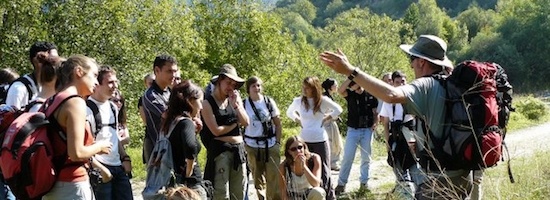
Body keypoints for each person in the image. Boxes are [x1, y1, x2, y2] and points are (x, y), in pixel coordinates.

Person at [320, 35, 472, 199]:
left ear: (422, 62)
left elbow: (391, 95)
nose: (412, 65)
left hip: (439, 180)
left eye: (412, 59)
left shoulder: (425, 85)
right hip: (463, 175)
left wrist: (351, 71)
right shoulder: (452, 82)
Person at [42, 55, 112, 200]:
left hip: (52, 184)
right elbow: (76, 153)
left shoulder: (52, 100)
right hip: (72, 185)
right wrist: (100, 146)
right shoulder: (75, 102)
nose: (96, 82)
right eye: (94, 75)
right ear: (78, 72)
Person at [286, 76, 343, 200]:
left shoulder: (322, 100)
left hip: (320, 140)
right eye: (304, 87)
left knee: (324, 171)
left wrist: (327, 118)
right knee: (306, 169)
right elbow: (289, 112)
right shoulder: (299, 101)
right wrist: (298, 119)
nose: (305, 90)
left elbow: (338, 109)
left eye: (308, 87)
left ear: (314, 88)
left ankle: (328, 197)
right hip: (304, 141)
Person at [200, 64, 249, 200]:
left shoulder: (234, 99)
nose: (231, 87)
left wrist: (237, 107)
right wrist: (235, 122)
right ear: (220, 80)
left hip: (239, 152)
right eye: (228, 83)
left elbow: (246, 122)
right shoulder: (207, 103)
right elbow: (216, 130)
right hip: (220, 153)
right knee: (221, 195)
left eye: (234, 85)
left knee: (239, 194)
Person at [86, 66, 133, 200]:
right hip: (100, 168)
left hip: (118, 167)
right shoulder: (86, 108)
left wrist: (125, 157)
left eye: (116, 82)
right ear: (98, 84)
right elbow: (83, 145)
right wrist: (101, 169)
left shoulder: (112, 107)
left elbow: (114, 136)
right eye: (110, 82)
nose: (115, 86)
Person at [161, 80, 207, 199]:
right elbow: (190, 146)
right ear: (190, 101)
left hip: (176, 182)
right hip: (190, 185)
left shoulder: (171, 121)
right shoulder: (186, 123)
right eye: (200, 102)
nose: (201, 107)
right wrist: (189, 171)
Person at [379, 71, 420, 199]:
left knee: (415, 168)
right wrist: (387, 144)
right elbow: (385, 123)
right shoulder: (389, 100)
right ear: (393, 83)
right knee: (398, 167)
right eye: (398, 82)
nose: (401, 84)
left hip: (409, 134)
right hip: (395, 135)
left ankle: (419, 193)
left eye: (403, 81)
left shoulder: (412, 98)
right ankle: (404, 193)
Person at [334, 80, 378, 195]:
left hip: (367, 129)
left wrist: (375, 122)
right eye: (355, 87)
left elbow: (375, 112)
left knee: (366, 157)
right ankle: (341, 184)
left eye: (359, 86)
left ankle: (364, 183)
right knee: (348, 157)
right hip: (353, 130)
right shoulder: (350, 95)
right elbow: (340, 91)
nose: (358, 89)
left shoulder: (370, 95)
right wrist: (351, 76)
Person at [242, 76, 282, 200]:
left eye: (258, 85)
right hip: (252, 145)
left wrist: (277, 142)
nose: (256, 88)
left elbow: (278, 122)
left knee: (273, 176)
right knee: (257, 177)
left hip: (270, 144)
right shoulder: (244, 104)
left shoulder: (268, 102)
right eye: (253, 86)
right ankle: (261, 198)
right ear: (248, 89)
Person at [142, 54, 178, 163]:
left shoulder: (170, 92)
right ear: (157, 71)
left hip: (174, 148)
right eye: (169, 71)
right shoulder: (151, 95)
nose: (173, 75)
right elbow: (170, 117)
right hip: (159, 153)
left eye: (175, 71)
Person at [6, 42, 58, 109]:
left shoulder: (55, 87)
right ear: (36, 61)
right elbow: (10, 118)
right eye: (52, 61)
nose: (56, 64)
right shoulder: (19, 88)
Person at [278, 136, 326, 200]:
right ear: (289, 152)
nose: (298, 151)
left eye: (300, 147)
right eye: (293, 149)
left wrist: (304, 167)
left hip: (310, 195)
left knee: (319, 192)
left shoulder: (314, 159)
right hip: (294, 196)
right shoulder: (284, 166)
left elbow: (316, 184)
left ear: (304, 147)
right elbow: (283, 192)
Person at [321, 78, 343, 171]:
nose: (337, 87)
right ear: (330, 87)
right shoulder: (325, 98)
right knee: (331, 143)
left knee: (335, 142)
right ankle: (331, 163)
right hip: (327, 124)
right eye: (335, 85)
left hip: (330, 123)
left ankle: (332, 162)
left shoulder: (329, 97)